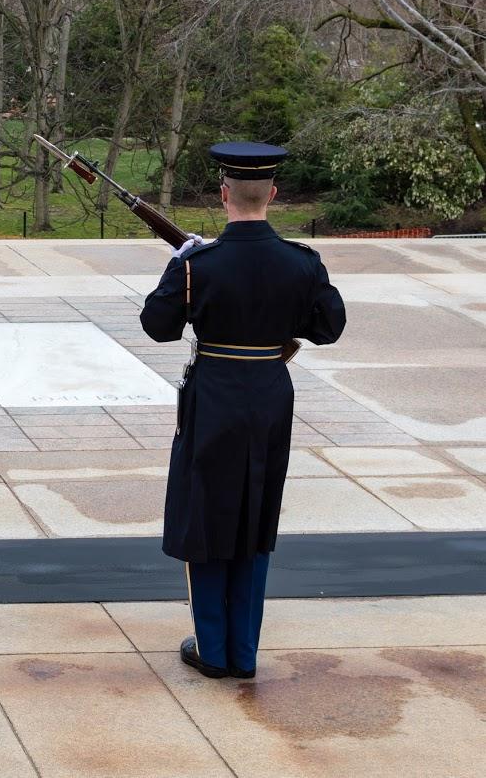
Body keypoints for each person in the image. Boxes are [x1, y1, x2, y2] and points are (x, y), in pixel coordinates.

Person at [140, 141, 346, 679]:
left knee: (207, 510)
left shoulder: (198, 264)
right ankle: (244, 653)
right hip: (271, 395)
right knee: (257, 511)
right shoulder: (303, 262)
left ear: (223, 193)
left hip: (213, 395)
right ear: (273, 194)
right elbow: (328, 328)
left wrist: (179, 267)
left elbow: (157, 327)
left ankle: (213, 648)